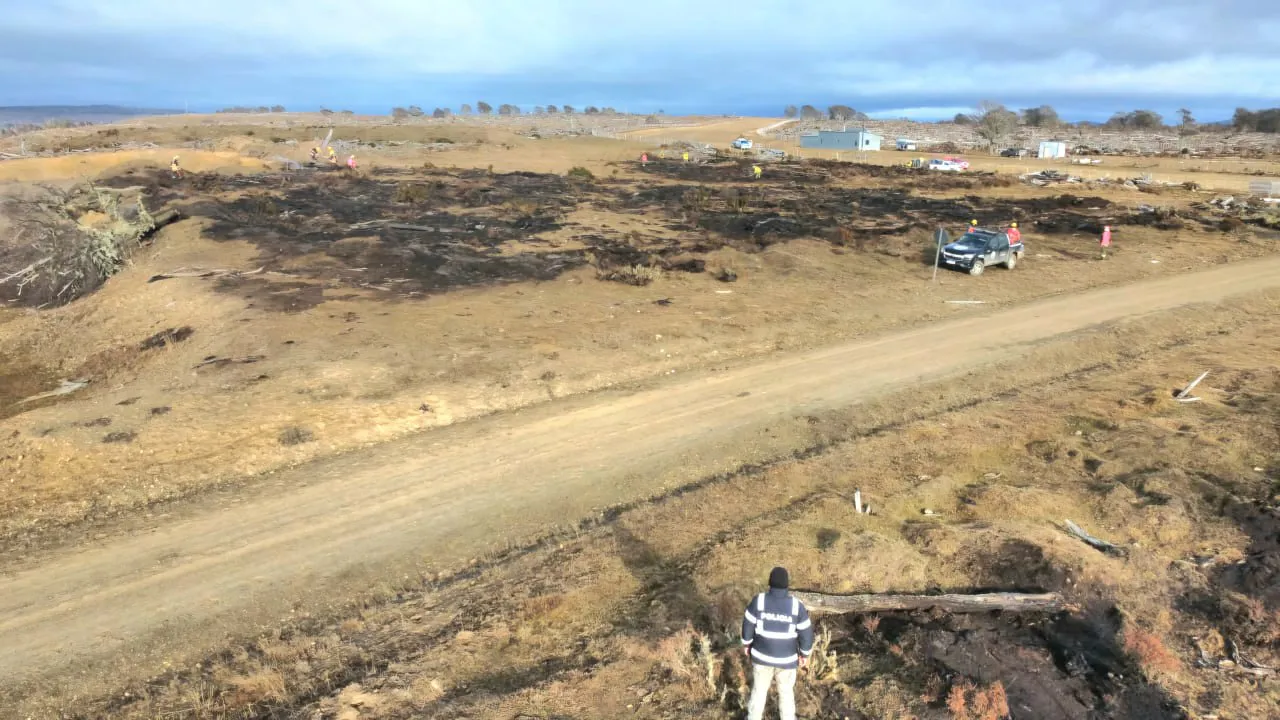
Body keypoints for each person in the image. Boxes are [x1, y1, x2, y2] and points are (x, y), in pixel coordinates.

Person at [742, 567, 814, 720]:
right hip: (787, 660)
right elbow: (806, 633)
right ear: (787, 584)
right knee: (786, 693)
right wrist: (804, 654)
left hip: (761, 657)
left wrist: (746, 644)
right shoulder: (796, 605)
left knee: (759, 691)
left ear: (770, 582)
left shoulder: (759, 600)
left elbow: (747, 624)